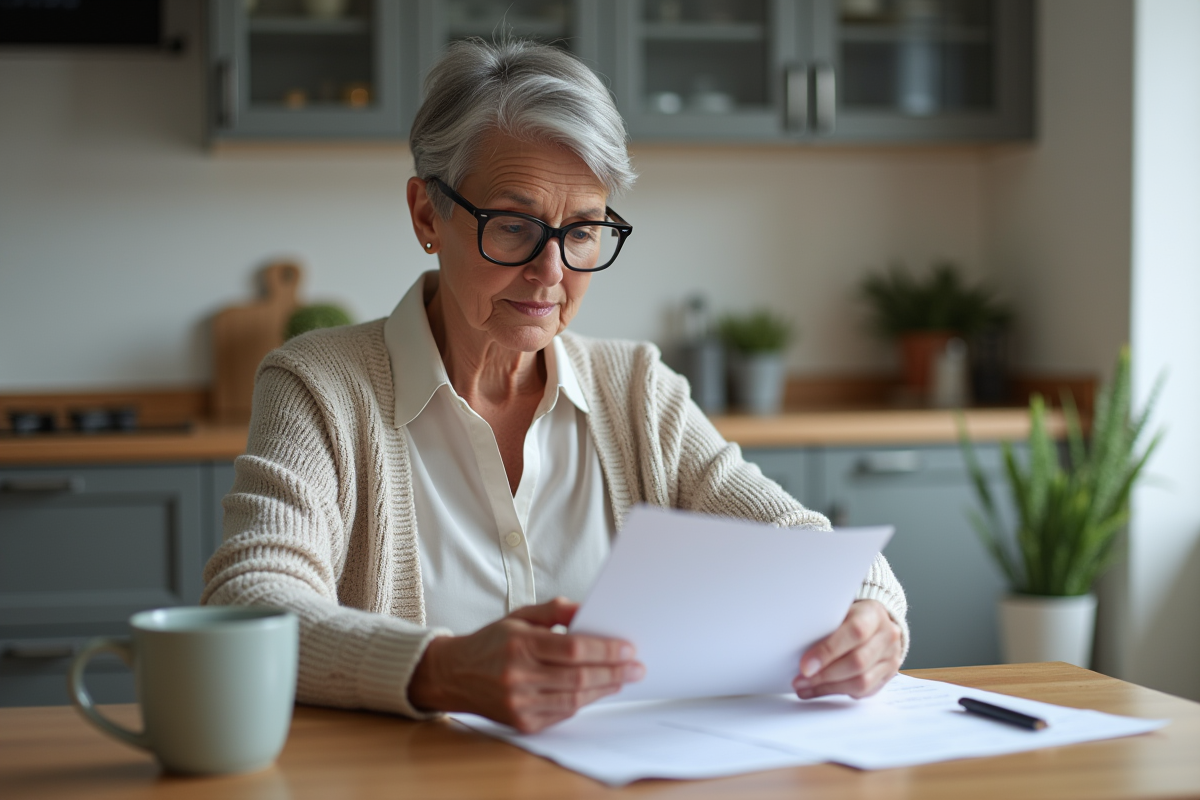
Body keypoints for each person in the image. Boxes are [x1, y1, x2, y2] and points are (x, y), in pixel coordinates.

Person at [202, 39, 908, 734]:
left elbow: (808, 550)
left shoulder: (636, 390)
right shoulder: (319, 386)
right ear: (427, 215)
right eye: (513, 226)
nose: (550, 272)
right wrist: (441, 670)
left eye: (582, 232)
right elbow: (252, 600)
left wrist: (873, 616)